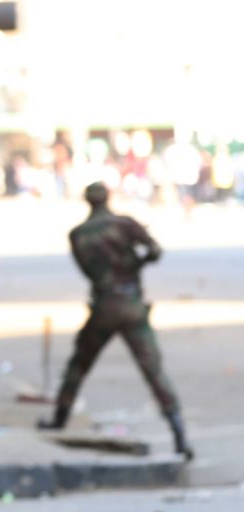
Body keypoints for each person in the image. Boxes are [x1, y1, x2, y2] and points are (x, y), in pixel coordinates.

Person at [37, 182, 193, 460]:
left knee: (79, 363)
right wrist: (135, 264)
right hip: (131, 303)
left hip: (103, 305)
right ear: (107, 198)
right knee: (153, 370)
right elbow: (155, 251)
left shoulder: (78, 235)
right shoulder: (125, 225)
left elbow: (87, 271)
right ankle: (179, 434)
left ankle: (59, 418)